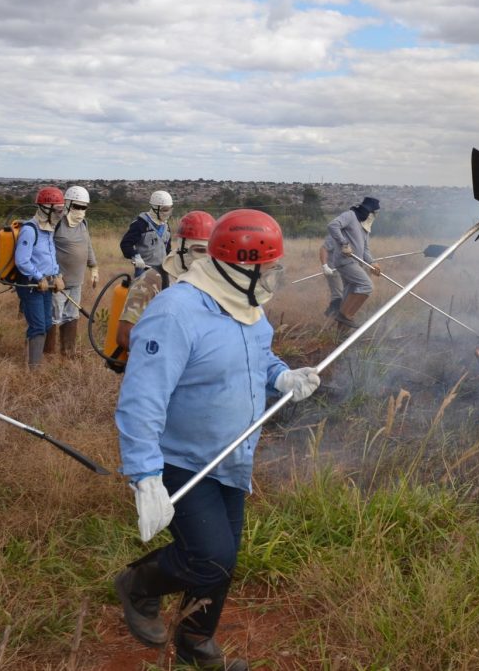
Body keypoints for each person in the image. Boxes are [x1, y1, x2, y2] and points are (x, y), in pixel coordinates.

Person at [113, 209, 320, 669]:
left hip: (232, 454)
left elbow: (257, 358)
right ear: (237, 265)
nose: (271, 278)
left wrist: (282, 378)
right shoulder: (177, 312)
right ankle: (138, 585)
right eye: (265, 269)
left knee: (224, 557)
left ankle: (195, 640)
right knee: (208, 557)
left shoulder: (247, 302)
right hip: (181, 459)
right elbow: (141, 400)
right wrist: (145, 476)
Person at [115, 210, 215, 357]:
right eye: (199, 250)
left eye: (209, 253)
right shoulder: (152, 281)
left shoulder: (211, 282)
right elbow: (125, 337)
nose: (203, 259)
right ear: (182, 247)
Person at [14, 187, 65, 367]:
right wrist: (38, 276)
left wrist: (57, 275)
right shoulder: (30, 229)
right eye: (58, 210)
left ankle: (33, 361)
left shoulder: (49, 229)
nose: (60, 214)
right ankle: (32, 368)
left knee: (45, 323)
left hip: (47, 284)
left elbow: (50, 256)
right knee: (37, 326)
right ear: (46, 208)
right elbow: (22, 261)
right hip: (31, 285)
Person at [50, 186, 99, 358]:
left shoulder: (84, 223)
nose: (80, 211)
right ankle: (48, 354)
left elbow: (88, 245)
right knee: (54, 317)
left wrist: (93, 267)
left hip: (76, 281)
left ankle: (67, 352)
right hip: (57, 283)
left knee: (71, 316)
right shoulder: (56, 223)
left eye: (84, 207)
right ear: (68, 204)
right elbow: (45, 250)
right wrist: (54, 275)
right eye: (77, 206)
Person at [326, 196, 382, 328]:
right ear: (369, 212)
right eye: (375, 213)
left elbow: (365, 250)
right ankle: (346, 315)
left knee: (349, 291)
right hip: (345, 261)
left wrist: (372, 263)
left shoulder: (365, 227)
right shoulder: (350, 216)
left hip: (355, 262)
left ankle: (341, 331)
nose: (375, 216)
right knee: (366, 285)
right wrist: (344, 243)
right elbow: (332, 225)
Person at [120, 190, 172, 278]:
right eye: (165, 210)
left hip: (162, 271)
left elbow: (167, 249)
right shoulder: (140, 224)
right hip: (144, 271)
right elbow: (125, 244)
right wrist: (135, 255)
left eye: (169, 209)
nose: (167, 212)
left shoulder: (166, 226)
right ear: (156, 208)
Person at [318, 237, 343, 318]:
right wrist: (325, 266)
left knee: (347, 294)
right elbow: (323, 249)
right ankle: (330, 317)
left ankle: (335, 315)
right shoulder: (336, 235)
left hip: (345, 269)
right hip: (333, 269)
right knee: (339, 295)